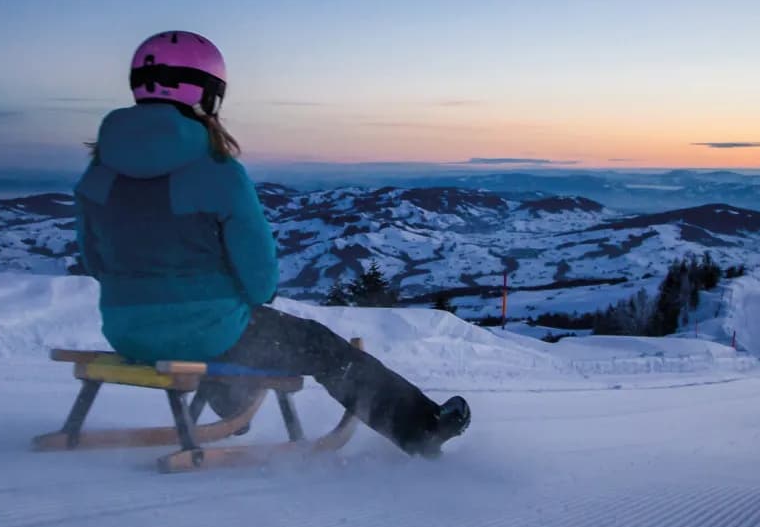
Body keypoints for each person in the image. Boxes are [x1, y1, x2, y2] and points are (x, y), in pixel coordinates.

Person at [74, 30, 470, 457]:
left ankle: (232, 400)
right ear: (207, 95)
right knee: (319, 345)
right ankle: (420, 429)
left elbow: (96, 264)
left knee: (248, 333)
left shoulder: (96, 176)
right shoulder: (218, 172)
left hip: (127, 332)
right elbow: (261, 282)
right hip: (210, 336)